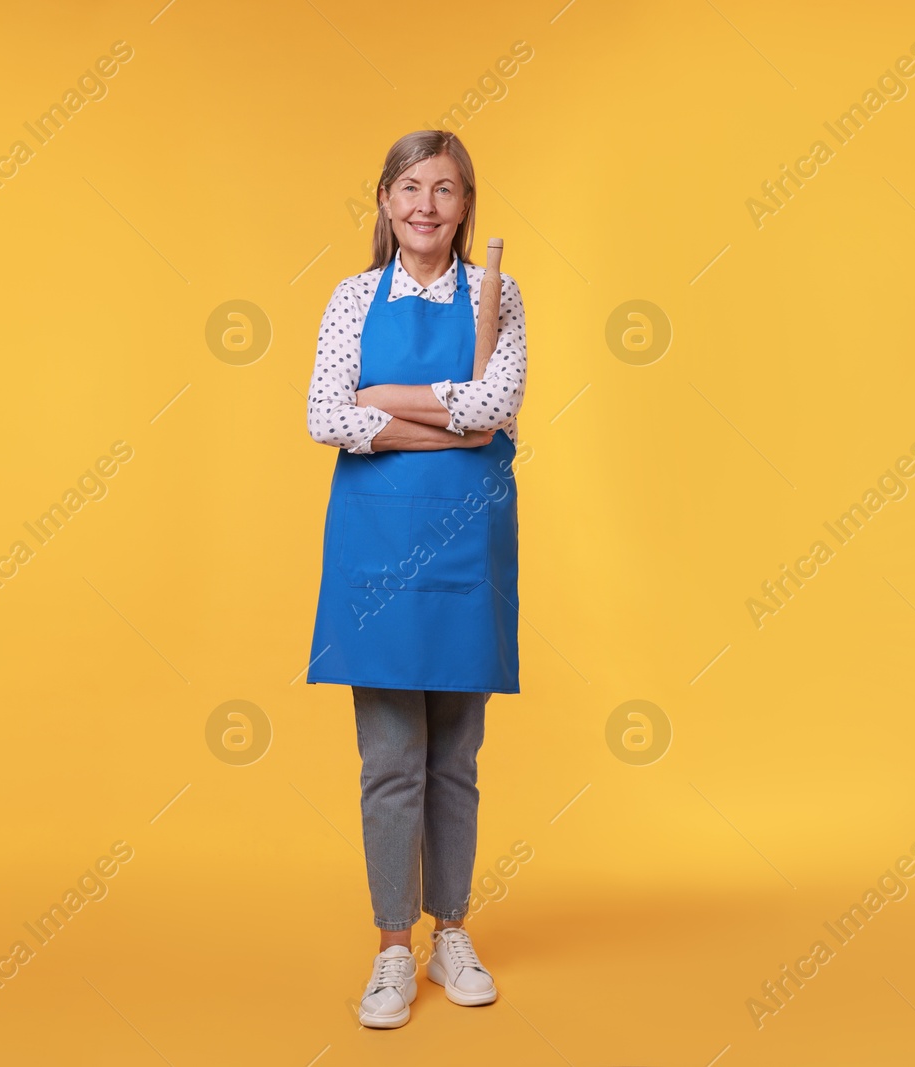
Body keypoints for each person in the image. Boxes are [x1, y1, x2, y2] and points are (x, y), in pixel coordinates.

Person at [304, 129, 527, 1029]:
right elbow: (324, 413)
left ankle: (453, 932)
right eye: (409, 187)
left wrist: (383, 397)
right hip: (375, 547)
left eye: (444, 189)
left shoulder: (498, 296)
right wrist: (444, 413)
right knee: (390, 759)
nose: (426, 205)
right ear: (386, 201)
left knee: (456, 762)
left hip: (466, 544)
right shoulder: (351, 297)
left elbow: (496, 407)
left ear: (466, 205)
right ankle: (394, 947)